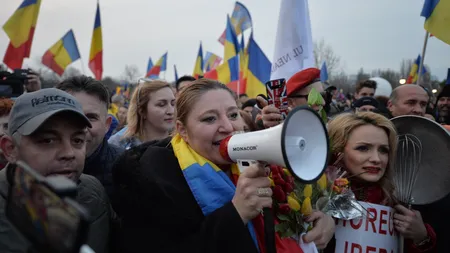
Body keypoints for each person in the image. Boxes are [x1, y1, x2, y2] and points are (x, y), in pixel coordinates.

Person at [112, 79, 335, 253]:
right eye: (209, 119)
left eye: (233, 114)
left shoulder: (264, 164)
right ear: (182, 130)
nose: (228, 127)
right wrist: (236, 214)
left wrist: (321, 224)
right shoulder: (148, 180)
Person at [0, 88, 112, 253]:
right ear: (10, 149)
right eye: (47, 140)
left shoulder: (93, 191)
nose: (68, 153)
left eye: (77, 140)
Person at [324, 112, 436, 253]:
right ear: (337, 150)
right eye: (363, 148)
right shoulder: (314, 196)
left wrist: (421, 237)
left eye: (383, 150)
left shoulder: (399, 202)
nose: (377, 159)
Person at [56, 76, 124, 199]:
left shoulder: (127, 170)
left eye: (91, 117)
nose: (82, 127)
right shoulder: (33, 164)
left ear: (107, 125)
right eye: (71, 115)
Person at [108, 79, 175, 149]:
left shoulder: (183, 142)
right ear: (142, 111)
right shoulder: (118, 144)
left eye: (173, 104)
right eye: (161, 104)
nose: (171, 111)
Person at [259, 68, 326, 129]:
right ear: (290, 102)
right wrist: (274, 129)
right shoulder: (286, 129)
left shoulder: (330, 126)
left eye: (323, 95)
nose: (323, 102)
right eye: (313, 97)